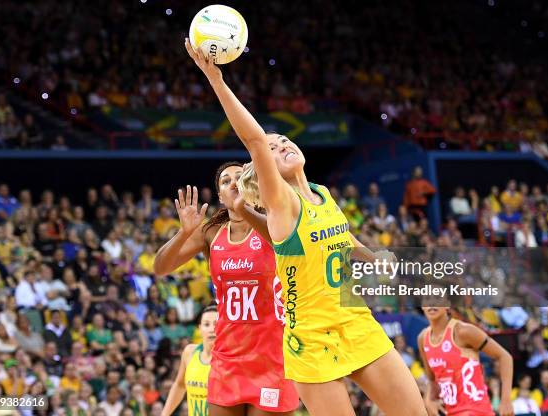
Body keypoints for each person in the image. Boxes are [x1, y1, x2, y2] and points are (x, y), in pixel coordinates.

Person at [184, 40, 425, 415]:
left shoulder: (322, 193)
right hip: (310, 338)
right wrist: (216, 79)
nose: (281, 146)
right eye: (274, 149)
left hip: (354, 320)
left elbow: (343, 238)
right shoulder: (282, 203)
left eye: (284, 141)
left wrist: (371, 257)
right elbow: (254, 140)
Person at [154, 163, 298, 415]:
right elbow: (160, 267)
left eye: (239, 177)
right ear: (219, 195)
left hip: (272, 358)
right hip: (227, 359)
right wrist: (184, 232)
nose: (232, 182)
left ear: (251, 185)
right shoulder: (211, 232)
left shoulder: (274, 224)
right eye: (225, 180)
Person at [418, 302, 514, 416]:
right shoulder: (423, 338)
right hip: (449, 411)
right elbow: (432, 381)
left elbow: (504, 356)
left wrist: (506, 399)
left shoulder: (463, 331)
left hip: (475, 410)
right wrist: (428, 400)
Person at [161, 305, 217, 416]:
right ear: (200, 328)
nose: (212, 329)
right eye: (206, 324)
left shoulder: (230, 359)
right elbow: (180, 385)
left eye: (216, 324)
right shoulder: (189, 352)